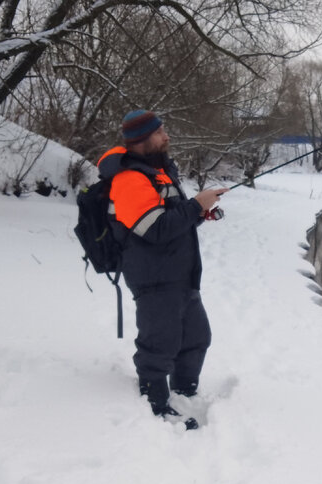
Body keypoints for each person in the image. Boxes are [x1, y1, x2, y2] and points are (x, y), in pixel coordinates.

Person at [96, 110, 227, 429]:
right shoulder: (129, 180)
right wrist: (196, 205)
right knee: (159, 344)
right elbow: (152, 229)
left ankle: (184, 392)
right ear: (141, 140)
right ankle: (155, 404)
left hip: (180, 275)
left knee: (197, 337)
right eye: (159, 132)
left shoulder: (159, 173)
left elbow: (172, 217)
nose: (166, 136)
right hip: (154, 277)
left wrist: (199, 212)